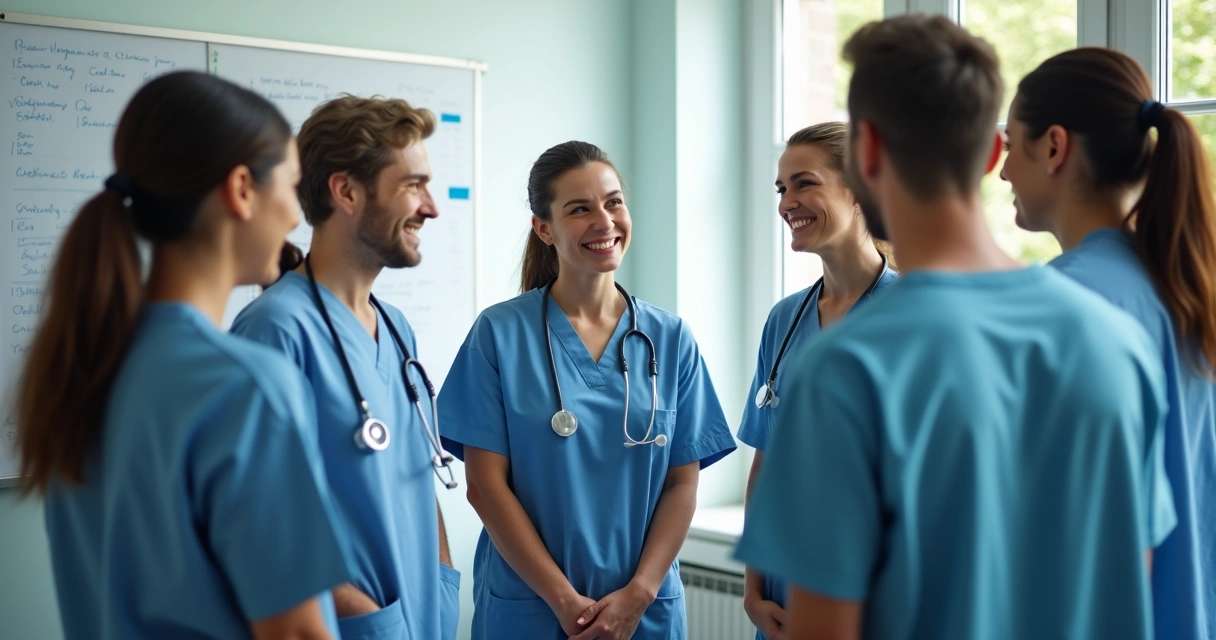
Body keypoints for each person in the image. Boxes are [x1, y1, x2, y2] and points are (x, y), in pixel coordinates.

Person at [735, 15, 1175, 640]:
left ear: (867, 155)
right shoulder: (1116, 341)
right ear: (993, 153)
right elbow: (1132, 579)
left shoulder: (849, 368)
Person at [15, 71, 351, 639]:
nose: (297, 217)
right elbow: (296, 631)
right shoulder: (246, 386)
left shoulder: (80, 372)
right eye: (291, 187)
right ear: (241, 189)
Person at [437, 141, 736, 640]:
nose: (604, 221)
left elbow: (682, 484)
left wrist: (640, 593)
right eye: (579, 209)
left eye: (613, 202)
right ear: (544, 228)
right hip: (533, 608)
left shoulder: (670, 338)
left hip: (644, 611)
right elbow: (485, 486)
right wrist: (564, 601)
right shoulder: (499, 335)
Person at [1002, 47, 1216, 640]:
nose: (1003, 171)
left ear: (1054, 147)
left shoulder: (1059, 306)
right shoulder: (1185, 285)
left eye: (1012, 145)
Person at [230, 95, 461, 640]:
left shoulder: (396, 328)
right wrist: (369, 621)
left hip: (424, 619)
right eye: (413, 185)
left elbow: (414, 471)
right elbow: (262, 528)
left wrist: (443, 580)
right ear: (347, 191)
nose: (431, 208)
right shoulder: (274, 331)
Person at [739, 121, 896, 640]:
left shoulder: (914, 313)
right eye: (781, 189)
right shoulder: (785, 320)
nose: (787, 203)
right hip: (783, 596)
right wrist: (753, 589)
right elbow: (766, 461)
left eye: (804, 184)